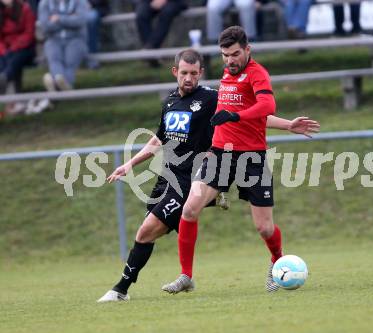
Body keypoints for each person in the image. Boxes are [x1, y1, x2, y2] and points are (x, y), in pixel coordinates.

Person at [97, 48, 319, 302]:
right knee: (147, 233)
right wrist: (130, 164)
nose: (188, 78)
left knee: (146, 231)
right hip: (168, 177)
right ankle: (135, 285)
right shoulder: (170, 102)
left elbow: (253, 116)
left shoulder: (212, 98)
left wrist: (288, 124)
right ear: (175, 72)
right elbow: (159, 139)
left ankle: (121, 289)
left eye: (193, 73)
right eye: (184, 73)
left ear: (201, 73)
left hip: (191, 178)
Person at [161, 26, 319, 294]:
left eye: (235, 54)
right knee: (189, 210)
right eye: (225, 55)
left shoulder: (257, 73)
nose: (230, 60)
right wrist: (285, 125)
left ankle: (275, 261)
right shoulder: (227, 73)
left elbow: (266, 107)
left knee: (264, 227)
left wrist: (237, 117)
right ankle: (186, 275)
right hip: (220, 154)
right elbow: (246, 110)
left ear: (247, 50)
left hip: (251, 158)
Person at [38, 0, 89, 90]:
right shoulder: (44, 3)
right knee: (54, 60)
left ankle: (56, 86)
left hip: (75, 39)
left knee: (70, 61)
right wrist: (69, 19)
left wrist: (58, 19)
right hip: (53, 39)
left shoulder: (80, 2)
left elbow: (80, 21)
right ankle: (63, 85)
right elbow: (45, 26)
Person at [0, 0, 35, 94]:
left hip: (24, 48)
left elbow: (29, 33)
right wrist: (4, 51)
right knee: (3, 60)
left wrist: (14, 47)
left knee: (14, 59)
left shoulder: (25, 9)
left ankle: (5, 80)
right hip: (5, 50)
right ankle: (10, 93)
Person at [85, 0, 109, 69]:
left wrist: (90, 4)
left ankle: (92, 59)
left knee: (91, 18)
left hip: (97, 8)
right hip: (78, 9)